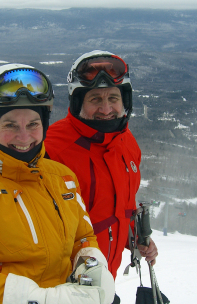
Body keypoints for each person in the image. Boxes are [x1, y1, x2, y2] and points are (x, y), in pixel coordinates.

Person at [0, 63, 116, 304]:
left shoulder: (63, 178)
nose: (24, 137)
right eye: (10, 125)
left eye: (33, 124)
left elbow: (82, 237)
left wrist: (91, 266)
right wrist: (40, 300)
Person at [45, 50, 158, 302]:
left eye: (113, 98)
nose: (106, 108)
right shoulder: (52, 149)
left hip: (106, 279)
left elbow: (122, 205)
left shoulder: (127, 144)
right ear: (78, 102)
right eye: (95, 98)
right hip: (64, 287)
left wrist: (135, 237)